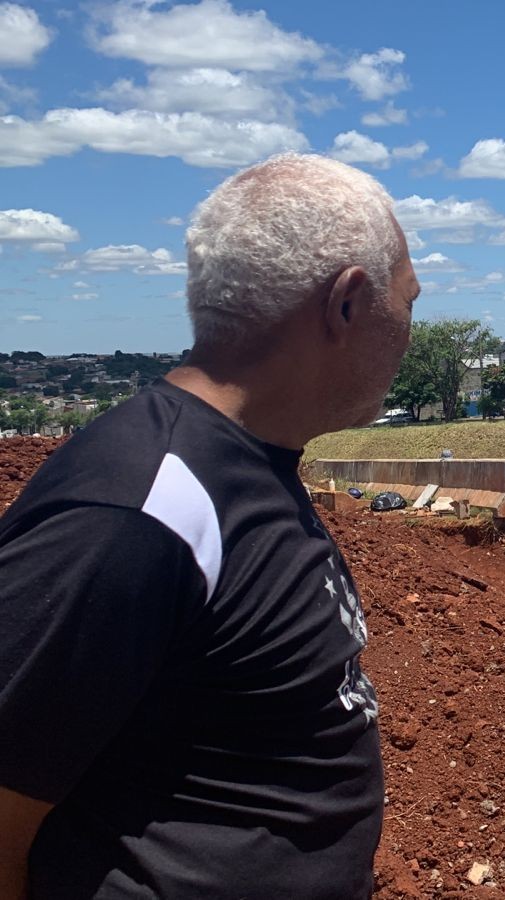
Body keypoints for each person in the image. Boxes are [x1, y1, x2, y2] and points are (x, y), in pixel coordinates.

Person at [0, 154, 420, 899]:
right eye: (408, 302)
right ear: (347, 305)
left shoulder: (250, 467)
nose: (410, 335)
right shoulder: (138, 509)